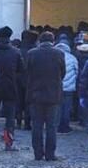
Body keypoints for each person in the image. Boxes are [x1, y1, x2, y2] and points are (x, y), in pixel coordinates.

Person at [24, 31, 65, 161]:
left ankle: (37, 153)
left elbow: (27, 72)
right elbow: (62, 73)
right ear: (53, 41)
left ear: (39, 41)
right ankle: (50, 154)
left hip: (35, 94)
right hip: (53, 94)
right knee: (52, 126)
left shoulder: (31, 53)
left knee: (37, 126)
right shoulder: (59, 53)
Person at [0, 26, 21, 151]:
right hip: (10, 87)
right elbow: (20, 70)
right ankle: (8, 142)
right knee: (10, 117)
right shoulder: (16, 52)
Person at [55, 42, 78, 134]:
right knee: (67, 107)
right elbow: (76, 71)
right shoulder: (73, 58)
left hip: (57, 86)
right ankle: (65, 126)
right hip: (69, 87)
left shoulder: (54, 57)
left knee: (57, 107)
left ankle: (57, 126)